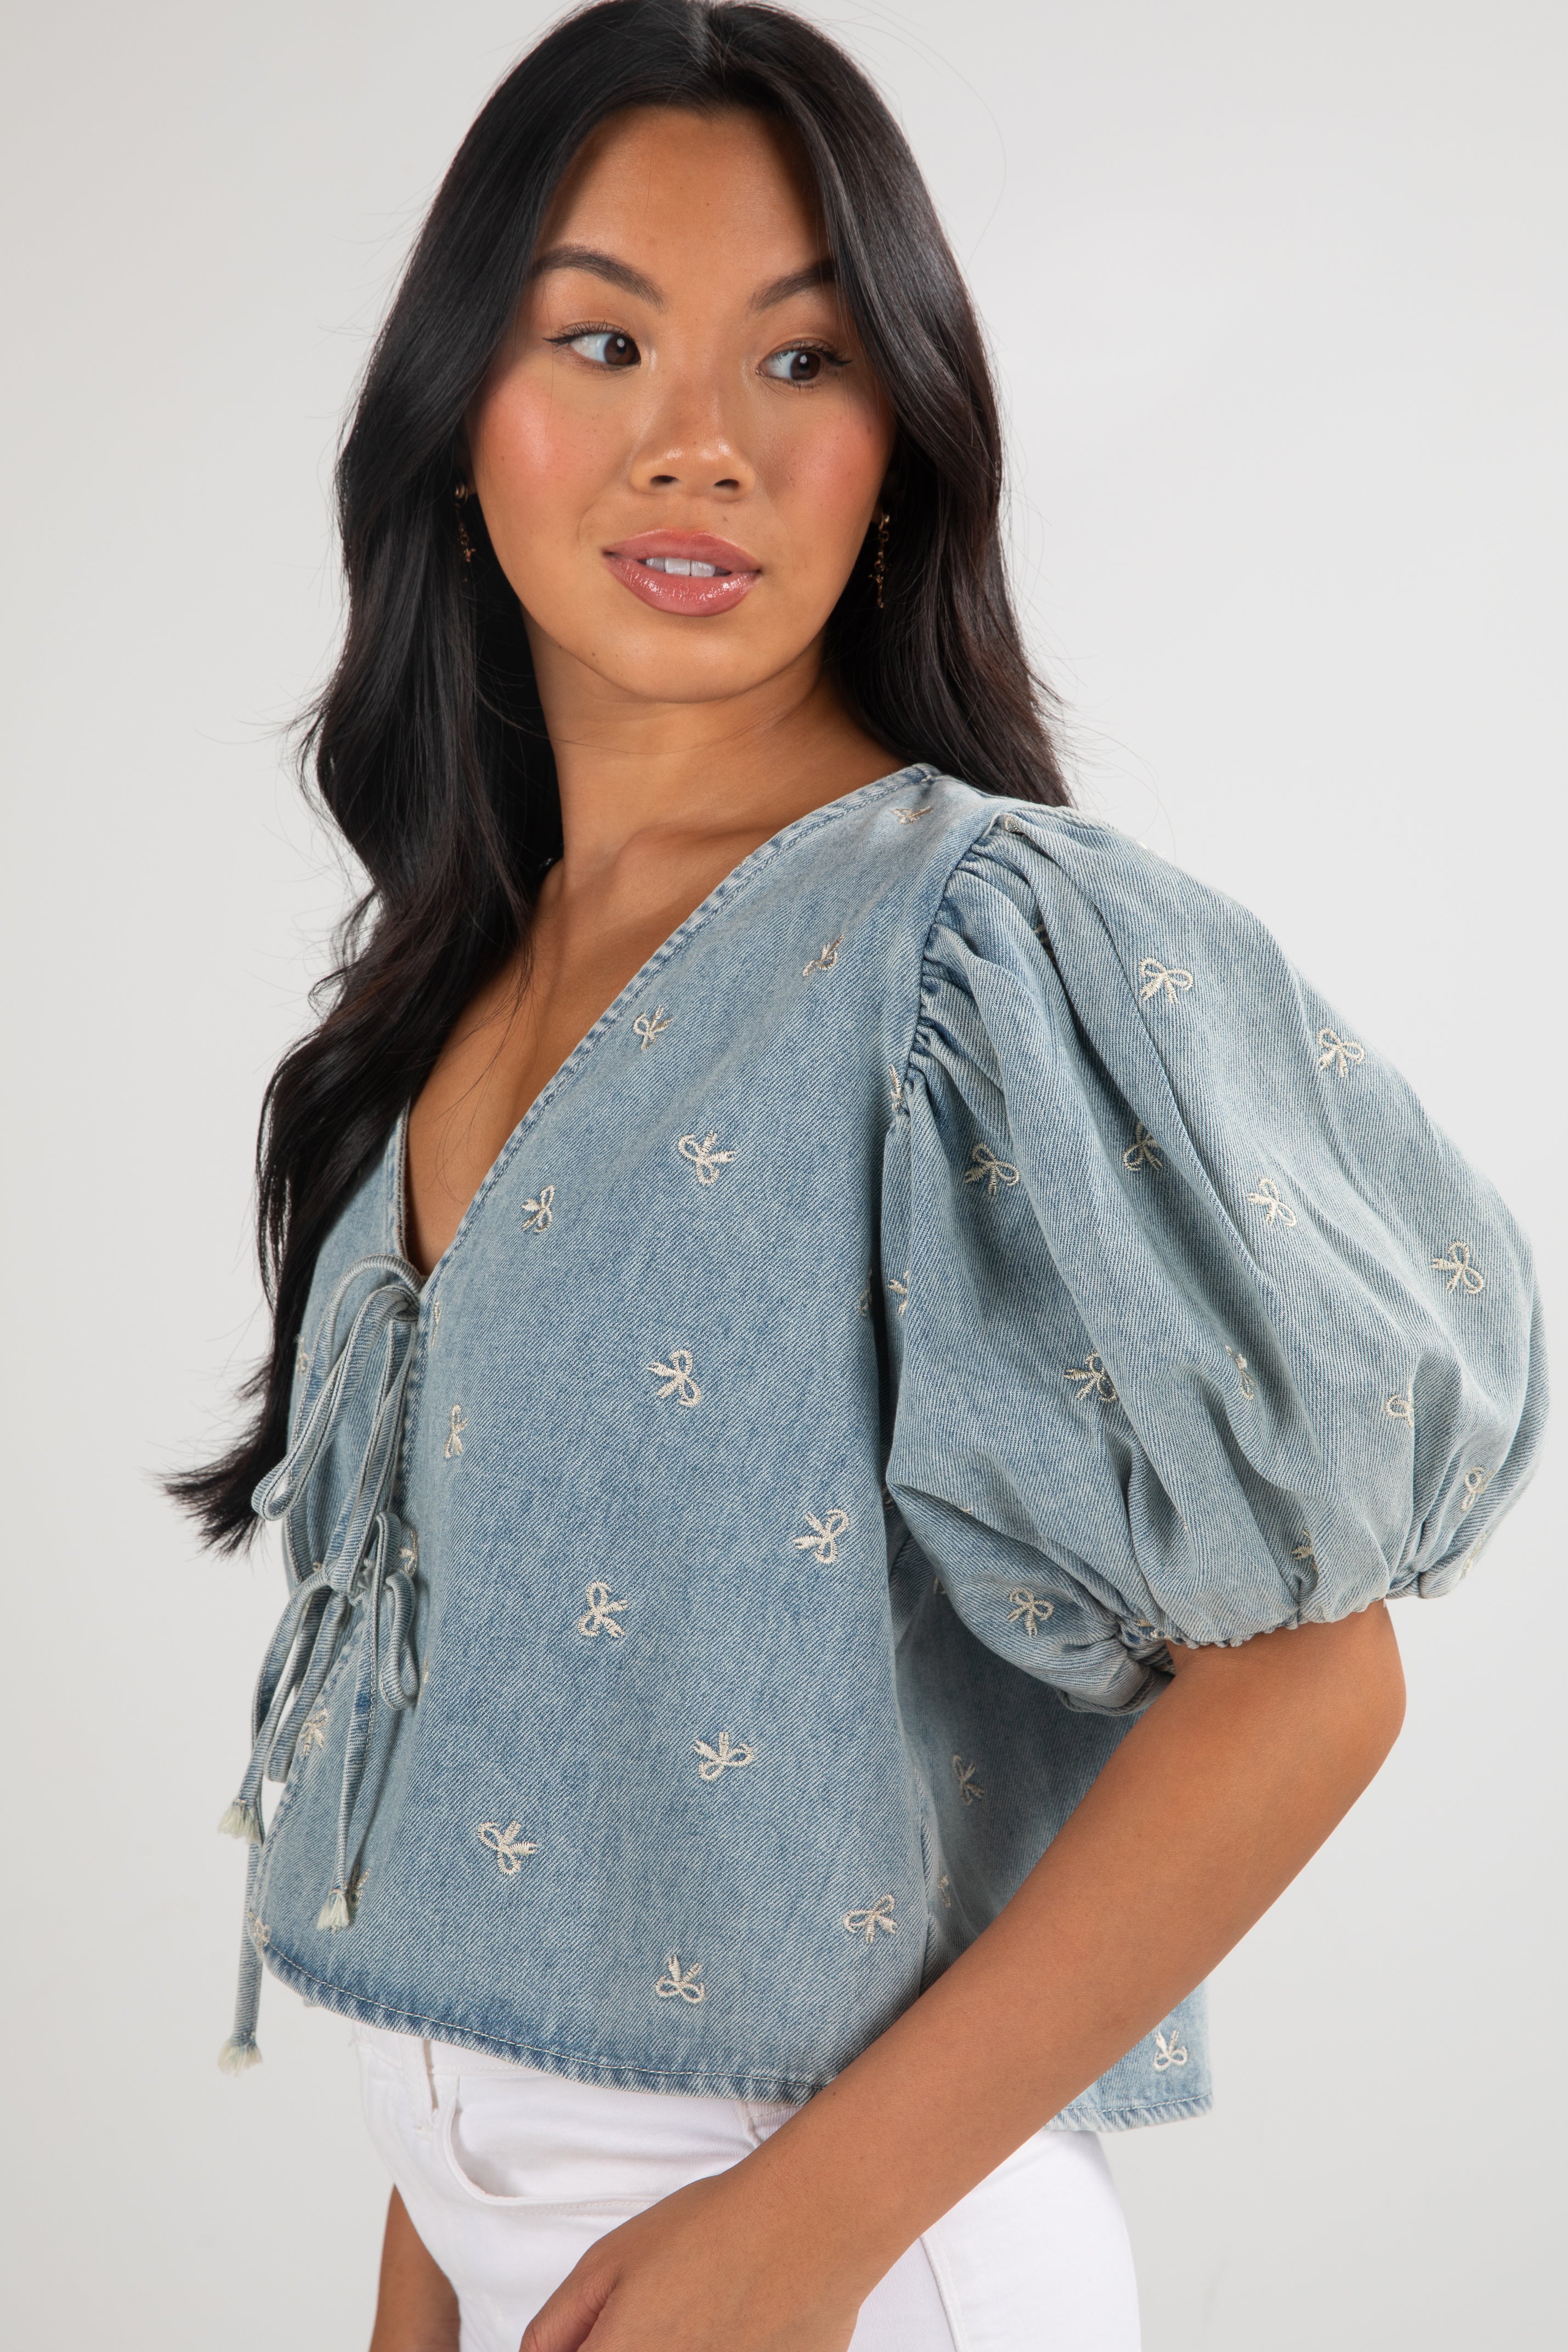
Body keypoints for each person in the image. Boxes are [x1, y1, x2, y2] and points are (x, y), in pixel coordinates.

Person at [177, 5, 1546, 2348]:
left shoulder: (970, 955)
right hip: (538, 2261)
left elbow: (1312, 1684)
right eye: (602, 339)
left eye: (799, 362)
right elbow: (510, 1789)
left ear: (898, 442)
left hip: (854, 2268)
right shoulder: (460, 980)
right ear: (455, 418)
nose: (698, 440)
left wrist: (799, 2236)